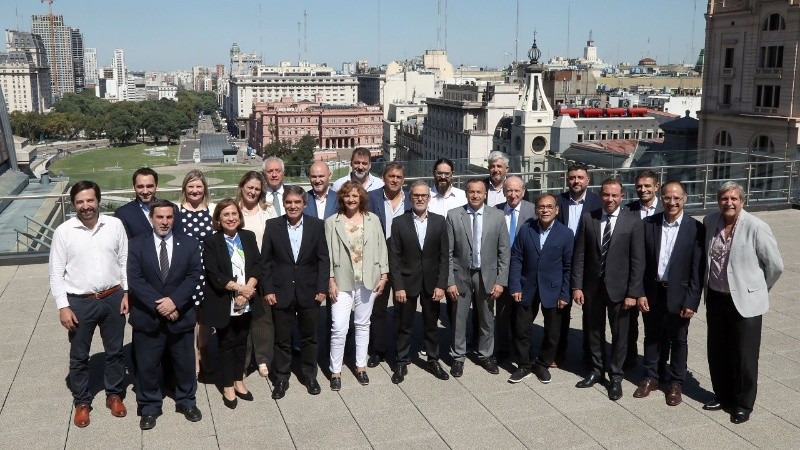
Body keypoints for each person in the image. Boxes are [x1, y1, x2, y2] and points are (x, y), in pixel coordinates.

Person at [49, 180, 129, 428]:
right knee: (79, 355)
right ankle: (82, 402)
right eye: (80, 201)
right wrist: (63, 306)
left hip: (113, 297)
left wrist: (128, 293)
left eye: (90, 200)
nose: (86, 206)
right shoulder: (63, 231)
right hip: (80, 302)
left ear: (98, 201)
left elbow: (124, 260)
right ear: (74, 204)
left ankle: (113, 394)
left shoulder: (114, 225)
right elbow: (55, 272)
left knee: (115, 352)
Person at [703, 181, 783, 424]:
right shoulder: (709, 222)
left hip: (746, 302)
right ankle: (723, 395)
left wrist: (757, 289)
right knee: (717, 351)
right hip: (716, 298)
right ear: (718, 201)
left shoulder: (757, 227)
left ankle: (743, 403)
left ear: (742, 201)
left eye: (734, 199)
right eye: (724, 198)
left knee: (745, 356)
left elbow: (775, 266)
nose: (729, 203)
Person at [127, 200, 203, 430]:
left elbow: (194, 275)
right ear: (151, 218)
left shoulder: (189, 244)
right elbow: (135, 279)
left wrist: (174, 302)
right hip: (148, 316)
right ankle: (150, 405)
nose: (164, 222)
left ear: (174, 218)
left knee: (184, 363)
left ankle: (186, 401)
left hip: (180, 315)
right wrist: (160, 305)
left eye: (169, 217)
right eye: (159, 217)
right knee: (147, 365)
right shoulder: (136, 244)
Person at [572, 178, 645, 401]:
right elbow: (580, 255)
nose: (610, 199)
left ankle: (615, 376)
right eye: (605, 194)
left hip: (620, 290)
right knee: (593, 331)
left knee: (620, 334)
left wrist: (633, 292)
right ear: (600, 195)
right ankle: (596, 370)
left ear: (622, 197)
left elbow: (637, 261)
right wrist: (577, 285)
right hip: (593, 288)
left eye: (614, 195)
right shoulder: (588, 218)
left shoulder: (632, 221)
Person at [633, 180, 705, 407]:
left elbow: (697, 269)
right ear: (660, 198)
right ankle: (651, 377)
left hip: (680, 295)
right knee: (652, 335)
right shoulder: (649, 224)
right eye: (667, 198)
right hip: (653, 291)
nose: (672, 202)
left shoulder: (695, 228)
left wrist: (692, 300)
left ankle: (675, 383)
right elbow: (640, 262)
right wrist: (640, 292)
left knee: (678, 339)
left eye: (677, 198)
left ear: (685, 199)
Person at [261, 185, 329, 399]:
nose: (292, 206)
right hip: (281, 291)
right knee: (282, 339)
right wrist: (268, 289)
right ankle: (281, 378)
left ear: (304, 204)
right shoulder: (273, 226)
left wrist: (321, 288)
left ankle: (310, 375)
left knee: (310, 337)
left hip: (309, 291)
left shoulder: (317, 226)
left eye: (297, 202)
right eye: (289, 202)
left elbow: (323, 259)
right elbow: (266, 262)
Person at [325, 181, 389, 389]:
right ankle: (335, 370)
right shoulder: (332, 222)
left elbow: (381, 248)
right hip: (342, 282)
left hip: (368, 280)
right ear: (341, 199)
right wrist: (330, 280)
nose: (351, 199)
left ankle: (360, 366)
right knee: (339, 327)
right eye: (347, 196)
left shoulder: (373, 220)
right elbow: (327, 254)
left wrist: (384, 274)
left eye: (355, 196)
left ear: (361, 197)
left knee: (363, 324)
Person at [201, 199, 262, 409]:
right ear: (218, 218)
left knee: (241, 341)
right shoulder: (211, 242)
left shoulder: (248, 236)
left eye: (234, 214)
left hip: (247, 299)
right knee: (226, 343)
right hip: (224, 300)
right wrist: (239, 289)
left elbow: (257, 265)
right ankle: (227, 384)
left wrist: (248, 291)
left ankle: (239, 380)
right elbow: (213, 274)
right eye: (225, 214)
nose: (230, 218)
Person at [446, 178, 510, 377]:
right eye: (471, 192)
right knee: (459, 318)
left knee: (486, 318)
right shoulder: (454, 215)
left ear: (485, 195)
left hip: (488, 276)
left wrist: (501, 281)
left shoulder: (497, 216)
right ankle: (458, 356)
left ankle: (485, 354)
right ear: (466, 194)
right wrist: (449, 281)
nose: (475, 195)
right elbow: (447, 252)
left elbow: (504, 251)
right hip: (461, 275)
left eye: (479, 192)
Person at [388, 180, 450, 383]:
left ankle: (433, 360)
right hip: (406, 283)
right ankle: (401, 362)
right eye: (416, 195)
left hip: (432, 284)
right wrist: (398, 286)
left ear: (429, 198)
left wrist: (441, 284)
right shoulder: (399, 222)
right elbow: (394, 258)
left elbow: (444, 257)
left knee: (431, 325)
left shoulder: (440, 222)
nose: (420, 198)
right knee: (403, 325)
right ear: (410, 197)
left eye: (424, 195)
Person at [507, 193, 573, 384]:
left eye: (549, 207)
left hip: (553, 289)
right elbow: (517, 258)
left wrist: (564, 293)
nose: (545, 210)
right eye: (541, 207)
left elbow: (568, 267)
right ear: (536, 210)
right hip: (527, 287)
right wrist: (515, 285)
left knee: (553, 333)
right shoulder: (526, 229)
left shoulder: (566, 233)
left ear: (556, 210)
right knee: (521, 329)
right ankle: (524, 365)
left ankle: (542, 364)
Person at [555, 162, 602, 368]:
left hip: (588, 263)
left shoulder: (598, 202)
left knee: (591, 314)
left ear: (588, 180)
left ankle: (589, 356)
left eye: (580, 177)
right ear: (567, 179)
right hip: (562, 264)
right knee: (561, 311)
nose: (576, 181)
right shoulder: (558, 201)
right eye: (573, 177)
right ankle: (559, 352)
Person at [366, 162, 411, 367]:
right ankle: (379, 349)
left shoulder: (411, 199)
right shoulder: (372, 198)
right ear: (383, 177)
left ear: (403, 180)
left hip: (404, 263)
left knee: (403, 308)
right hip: (378, 262)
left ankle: (401, 349)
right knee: (379, 308)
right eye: (391, 176)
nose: (394, 180)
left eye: (398, 177)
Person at [235, 171, 277, 378]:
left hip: (263, 271)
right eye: (249, 187)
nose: (252, 192)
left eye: (257, 189)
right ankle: (242, 360)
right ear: (242, 186)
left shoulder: (268, 211)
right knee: (240, 318)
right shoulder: (232, 210)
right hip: (239, 273)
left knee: (263, 318)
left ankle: (262, 358)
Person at [174, 170, 215, 376]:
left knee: (205, 318)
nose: (195, 190)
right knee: (189, 316)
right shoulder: (177, 212)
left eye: (199, 186)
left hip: (208, 271)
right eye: (191, 186)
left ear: (204, 188)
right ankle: (191, 357)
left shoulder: (212, 210)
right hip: (186, 273)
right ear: (185, 189)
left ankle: (203, 353)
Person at [623, 169, 664, 368]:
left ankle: (656, 365)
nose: (643, 189)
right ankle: (629, 359)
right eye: (639, 186)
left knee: (655, 326)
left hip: (655, 279)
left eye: (648, 186)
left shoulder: (667, 209)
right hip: (631, 277)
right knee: (629, 324)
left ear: (657, 186)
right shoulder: (628, 210)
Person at [494, 175, 537, 362]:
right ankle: (503, 348)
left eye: (517, 190)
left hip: (525, 272)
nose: (513, 195)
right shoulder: (495, 211)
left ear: (524, 191)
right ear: (503, 192)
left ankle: (522, 349)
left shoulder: (533, 211)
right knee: (502, 313)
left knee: (523, 315)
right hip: (502, 270)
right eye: (509, 190)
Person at [115, 167, 163, 238]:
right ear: (134, 187)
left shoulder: (172, 209)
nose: (145, 191)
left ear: (157, 186)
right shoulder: (123, 214)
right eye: (140, 187)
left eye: (149, 186)